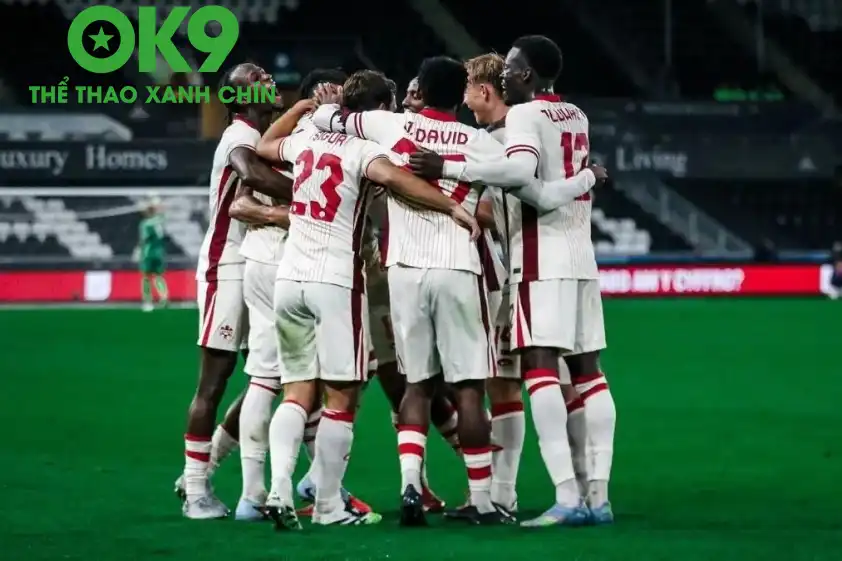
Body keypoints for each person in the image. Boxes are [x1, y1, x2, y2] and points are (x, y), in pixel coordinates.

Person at [409, 36, 615, 526]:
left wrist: (447, 167)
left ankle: (566, 497)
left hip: (539, 258)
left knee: (537, 370)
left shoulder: (522, 118)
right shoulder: (576, 115)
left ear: (526, 75)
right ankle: (598, 496)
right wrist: (589, 178)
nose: (504, 75)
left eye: (511, 68)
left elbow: (528, 183)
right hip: (581, 256)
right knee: (587, 373)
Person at [261, 69, 480, 529]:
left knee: (296, 392)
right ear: (380, 109)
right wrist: (452, 206)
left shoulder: (304, 139)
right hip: (335, 280)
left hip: (289, 278)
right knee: (341, 397)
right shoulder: (363, 150)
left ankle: (279, 488)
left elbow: (264, 147)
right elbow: (400, 181)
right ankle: (328, 506)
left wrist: (300, 108)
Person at [311, 56, 518, 527]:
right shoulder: (480, 142)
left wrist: (327, 103)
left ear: (420, 89)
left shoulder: (390, 124)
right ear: (460, 94)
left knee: (417, 384)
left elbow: (326, 119)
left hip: (403, 269)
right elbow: (514, 178)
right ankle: (482, 500)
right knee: (469, 387)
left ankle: (409, 484)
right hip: (458, 266)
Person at [178, 62, 293, 520]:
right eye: (258, 79)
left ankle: (203, 468)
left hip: (259, 263)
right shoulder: (239, 135)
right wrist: (315, 194)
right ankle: (195, 490)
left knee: (267, 377)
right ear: (241, 97)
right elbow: (254, 175)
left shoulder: (264, 134)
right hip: (226, 265)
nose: (269, 81)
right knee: (215, 379)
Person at [136, 197, 169, 312]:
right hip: (159, 253)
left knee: (146, 278)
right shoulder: (159, 221)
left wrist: (138, 251)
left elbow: (144, 240)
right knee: (159, 277)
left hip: (148, 253)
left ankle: (147, 301)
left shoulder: (145, 224)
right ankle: (164, 297)